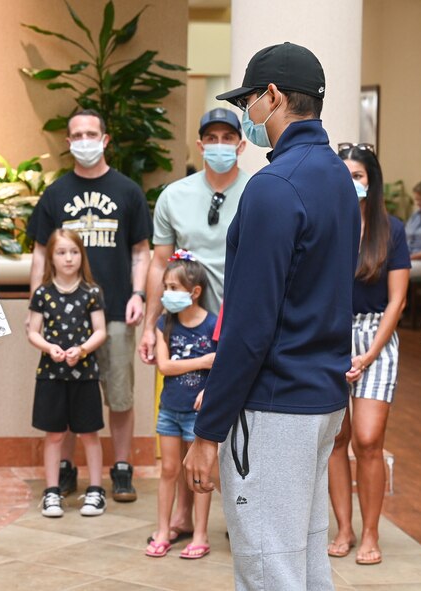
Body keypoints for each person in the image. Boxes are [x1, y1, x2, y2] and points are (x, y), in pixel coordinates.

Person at [183, 42, 360, 590]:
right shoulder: (336, 176)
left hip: (276, 407)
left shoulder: (273, 187)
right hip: (321, 397)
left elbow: (251, 324)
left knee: (268, 569)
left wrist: (208, 430)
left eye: (249, 102)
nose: (246, 117)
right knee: (303, 561)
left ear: (274, 96)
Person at [28, 109, 151, 502]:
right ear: (68, 142)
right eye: (77, 134)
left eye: (91, 133)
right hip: (63, 316)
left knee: (119, 395)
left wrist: (138, 295)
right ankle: (65, 469)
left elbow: (141, 252)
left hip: (113, 311)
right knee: (66, 392)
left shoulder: (128, 191)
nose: (84, 140)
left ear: (105, 140)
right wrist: (37, 307)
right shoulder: (56, 194)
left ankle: (122, 467)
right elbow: (38, 255)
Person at [139, 107, 249, 540]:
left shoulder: (258, 192)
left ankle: (239, 519)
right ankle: (183, 516)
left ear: (240, 144)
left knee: (242, 423)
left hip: (239, 327)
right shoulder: (174, 196)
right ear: (200, 144)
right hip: (184, 329)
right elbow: (158, 263)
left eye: (228, 136)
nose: (219, 144)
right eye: (212, 137)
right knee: (185, 419)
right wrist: (150, 325)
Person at [327, 144, 410, 566]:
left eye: (359, 175)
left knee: (368, 439)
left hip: (375, 337)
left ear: (371, 181)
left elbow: (397, 302)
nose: (352, 183)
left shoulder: (391, 229)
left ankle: (371, 532)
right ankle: (344, 528)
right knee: (336, 439)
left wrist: (368, 353)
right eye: (345, 175)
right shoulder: (326, 224)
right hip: (330, 338)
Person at [27, 229, 107, 517]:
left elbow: (100, 331)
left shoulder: (92, 292)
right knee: (54, 435)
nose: (68, 258)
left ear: (81, 255)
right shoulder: (43, 293)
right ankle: (52, 492)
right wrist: (50, 348)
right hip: (51, 374)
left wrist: (82, 350)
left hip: (84, 374)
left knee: (89, 434)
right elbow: (33, 332)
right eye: (61, 252)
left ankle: (96, 490)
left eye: (73, 252)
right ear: (51, 257)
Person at [145, 251, 216, 559]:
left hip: (197, 414)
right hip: (169, 410)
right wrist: (202, 362)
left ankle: (200, 535)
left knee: (198, 476)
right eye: (166, 287)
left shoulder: (213, 325)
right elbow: (164, 367)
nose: (167, 294)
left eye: (173, 288)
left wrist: (208, 384)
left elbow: (222, 367)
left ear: (195, 291)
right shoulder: (164, 324)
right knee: (169, 470)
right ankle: (163, 530)